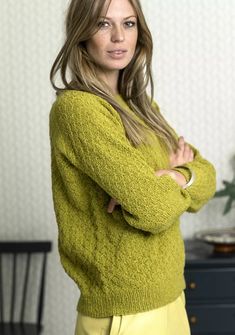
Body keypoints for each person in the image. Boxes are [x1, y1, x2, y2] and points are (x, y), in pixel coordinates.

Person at [49, 0, 216, 334]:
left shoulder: (142, 106)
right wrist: (167, 186)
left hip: (171, 296)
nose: (118, 37)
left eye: (128, 24)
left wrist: (176, 175)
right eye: (102, 24)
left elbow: (207, 174)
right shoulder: (78, 110)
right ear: (82, 33)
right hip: (125, 314)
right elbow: (153, 209)